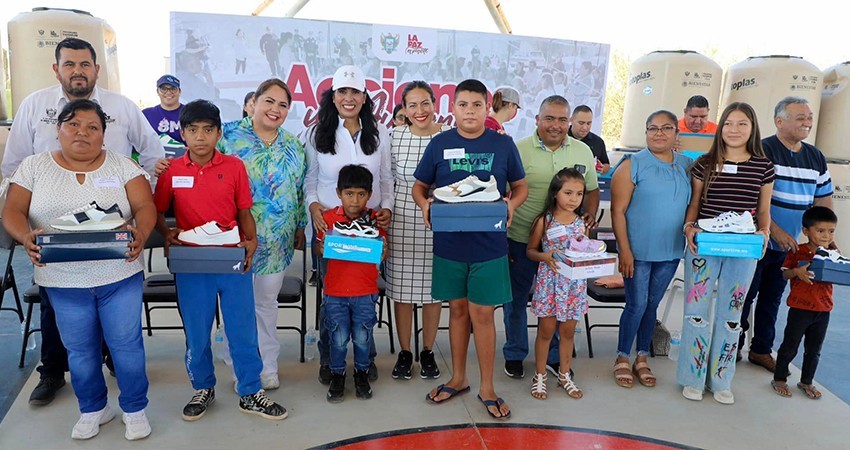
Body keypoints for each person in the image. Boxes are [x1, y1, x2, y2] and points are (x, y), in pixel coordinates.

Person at [1, 37, 164, 407]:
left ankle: (117, 371)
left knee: (120, 334)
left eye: (84, 64)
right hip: (56, 251)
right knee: (63, 323)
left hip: (114, 250)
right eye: (69, 64)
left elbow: (153, 156)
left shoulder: (122, 108)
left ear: (96, 69)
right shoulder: (34, 106)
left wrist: (138, 204)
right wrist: (27, 231)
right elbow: (13, 170)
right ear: (56, 69)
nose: (77, 71)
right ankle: (53, 373)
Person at [153, 100, 288, 422]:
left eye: (208, 130)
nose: (201, 137)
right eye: (193, 130)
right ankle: (203, 387)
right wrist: (167, 234)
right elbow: (156, 209)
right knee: (197, 332)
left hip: (231, 260)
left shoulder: (234, 167)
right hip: (192, 264)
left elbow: (244, 210)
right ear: (183, 134)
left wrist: (251, 241)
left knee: (242, 329)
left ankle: (251, 390)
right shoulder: (171, 170)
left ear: (218, 133)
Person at [415, 79, 528, 419]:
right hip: (449, 244)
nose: (469, 111)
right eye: (462, 105)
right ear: (453, 108)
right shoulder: (440, 143)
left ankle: (487, 387)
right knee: (458, 311)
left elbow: (520, 187)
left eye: (476, 105)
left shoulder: (503, 145)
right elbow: (421, 187)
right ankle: (459, 378)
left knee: (483, 314)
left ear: (486, 108)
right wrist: (424, 205)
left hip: (490, 245)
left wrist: (512, 206)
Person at [679, 102, 775, 405]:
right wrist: (689, 227)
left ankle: (721, 378)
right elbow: (695, 202)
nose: (734, 130)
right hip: (704, 247)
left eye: (742, 124)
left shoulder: (764, 167)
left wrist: (764, 234)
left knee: (732, 315)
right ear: (720, 127)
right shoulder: (703, 164)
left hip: (743, 249)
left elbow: (763, 209)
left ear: (752, 128)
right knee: (696, 313)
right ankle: (693, 376)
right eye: (729, 123)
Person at [305, 65, 393, 385]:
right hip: (330, 226)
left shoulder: (379, 132)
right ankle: (330, 361)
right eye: (342, 91)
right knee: (333, 298)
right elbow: (310, 180)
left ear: (365, 97)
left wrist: (387, 209)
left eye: (355, 92)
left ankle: (365, 360)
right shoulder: (318, 133)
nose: (348, 98)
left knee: (364, 295)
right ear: (333, 96)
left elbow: (386, 178)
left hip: (369, 226)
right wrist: (313, 206)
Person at [218, 79, 307, 390]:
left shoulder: (293, 145)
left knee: (267, 304)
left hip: (277, 243)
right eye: (269, 101)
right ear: (253, 102)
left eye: (283, 105)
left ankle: (268, 364)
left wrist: (299, 225)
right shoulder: (226, 136)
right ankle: (238, 364)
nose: (275, 109)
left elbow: (298, 191)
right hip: (233, 238)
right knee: (236, 305)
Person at [504, 95, 599, 379]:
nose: (555, 125)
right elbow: (502, 192)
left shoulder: (582, 151)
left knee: (561, 302)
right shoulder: (518, 150)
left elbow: (592, 189)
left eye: (561, 119)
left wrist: (590, 216)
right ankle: (515, 354)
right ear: (537, 120)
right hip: (522, 239)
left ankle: (555, 358)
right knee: (516, 300)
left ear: (569, 122)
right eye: (549, 118)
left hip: (566, 249)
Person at [740, 97, 834, 371]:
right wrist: (774, 231)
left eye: (809, 117)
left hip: (790, 246)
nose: (807, 122)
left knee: (773, 298)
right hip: (759, 241)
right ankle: (731, 346)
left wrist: (823, 239)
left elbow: (823, 200)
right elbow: (752, 199)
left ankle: (760, 350)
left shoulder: (815, 156)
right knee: (746, 295)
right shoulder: (761, 150)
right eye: (800, 117)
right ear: (779, 121)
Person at [610, 110, 692, 388]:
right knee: (636, 304)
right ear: (645, 132)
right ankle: (622, 356)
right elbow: (618, 212)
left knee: (652, 305)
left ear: (676, 134)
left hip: (670, 251)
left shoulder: (687, 165)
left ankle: (641, 356)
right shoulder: (632, 164)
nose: (659, 133)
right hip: (638, 251)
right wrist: (625, 251)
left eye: (666, 128)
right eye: (652, 128)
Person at [387, 81, 451, 380]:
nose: (419, 110)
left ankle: (427, 350)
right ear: (404, 109)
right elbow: (387, 181)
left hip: (439, 221)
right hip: (402, 220)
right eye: (412, 105)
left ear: (434, 103)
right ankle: (405, 351)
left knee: (433, 290)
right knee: (401, 290)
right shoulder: (394, 137)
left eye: (425, 103)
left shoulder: (449, 137)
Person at [316, 165, 388, 402]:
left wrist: (381, 250)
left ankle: (362, 373)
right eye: (349, 194)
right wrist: (325, 245)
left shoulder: (375, 220)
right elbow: (318, 248)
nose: (354, 200)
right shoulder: (328, 219)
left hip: (365, 291)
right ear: (338, 193)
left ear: (369, 195)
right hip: (335, 291)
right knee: (337, 337)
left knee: (362, 336)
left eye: (360, 194)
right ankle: (337, 375)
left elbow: (382, 253)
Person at [527, 168, 588, 400]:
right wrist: (546, 256)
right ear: (555, 193)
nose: (574, 199)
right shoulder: (545, 221)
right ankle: (540, 375)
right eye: (568, 193)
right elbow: (531, 251)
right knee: (546, 331)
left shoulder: (583, 222)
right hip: (549, 284)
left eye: (579, 194)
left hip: (573, 286)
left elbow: (588, 249)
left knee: (568, 332)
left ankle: (564, 375)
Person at [770, 206, 837, 400]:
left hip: (824, 310)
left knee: (814, 350)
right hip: (800, 309)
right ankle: (780, 378)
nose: (826, 236)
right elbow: (784, 273)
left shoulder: (833, 253)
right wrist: (797, 273)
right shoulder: (798, 252)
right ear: (806, 231)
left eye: (831, 231)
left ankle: (806, 381)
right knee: (790, 346)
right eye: (821, 231)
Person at [142, 75, 185, 157]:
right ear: (157, 92)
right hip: (155, 165)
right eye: (163, 89)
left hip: (185, 163)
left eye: (173, 88)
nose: (168, 92)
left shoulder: (191, 113)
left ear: (179, 91)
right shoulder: (146, 114)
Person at [569, 105, 610, 174]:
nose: (585, 127)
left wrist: (602, 168)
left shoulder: (598, 142)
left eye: (588, 123)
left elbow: (606, 164)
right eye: (581, 123)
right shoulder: (561, 137)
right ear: (572, 120)